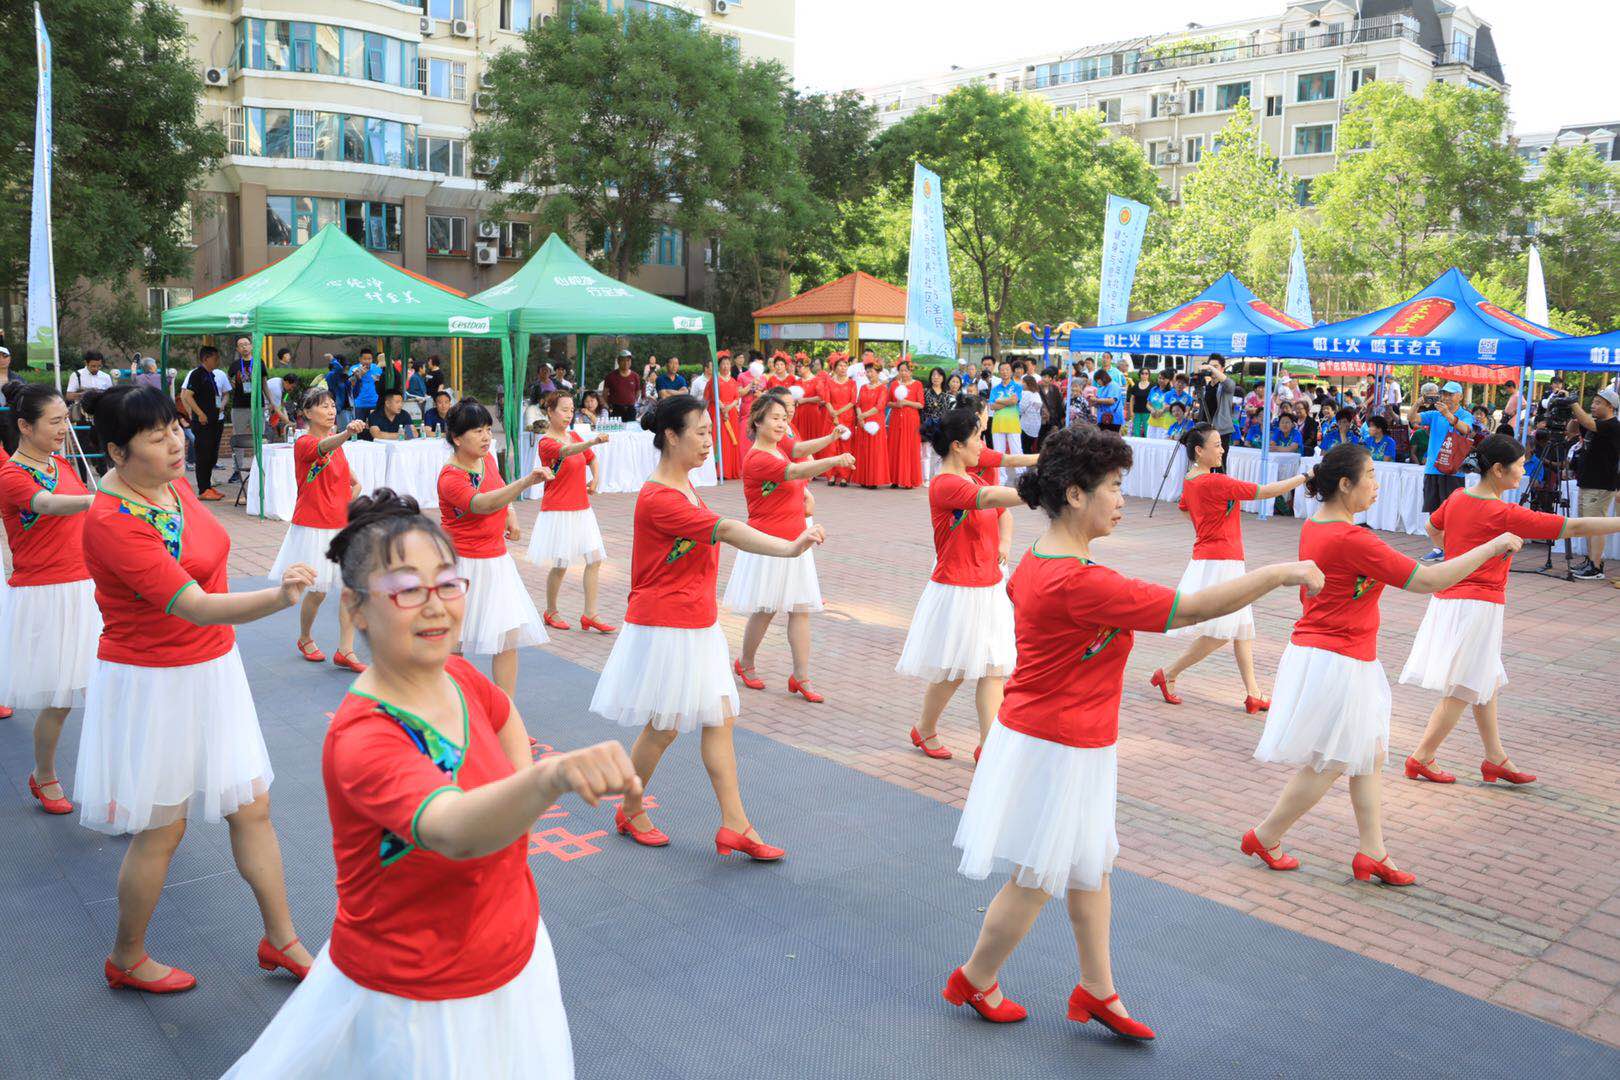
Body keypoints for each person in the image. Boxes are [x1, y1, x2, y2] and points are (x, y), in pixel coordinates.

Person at [224, 491, 638, 1077]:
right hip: (418, 997)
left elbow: (503, 718)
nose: (436, 605)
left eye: (447, 583)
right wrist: (549, 779)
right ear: (357, 608)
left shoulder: (458, 673)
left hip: (512, 951)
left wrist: (518, 795)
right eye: (406, 589)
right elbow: (451, 831)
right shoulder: (366, 736)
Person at [946, 425, 1318, 1036]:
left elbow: (1027, 601)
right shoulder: (1083, 582)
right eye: (1114, 487)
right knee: (1038, 877)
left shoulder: (1043, 562)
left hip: (1064, 737)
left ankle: (1097, 989)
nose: (1123, 498)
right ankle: (974, 978)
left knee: (1090, 865)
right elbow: (1190, 610)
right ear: (1073, 494)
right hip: (1056, 743)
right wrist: (1278, 574)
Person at [73, 385, 318, 993]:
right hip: (153, 682)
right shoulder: (112, 521)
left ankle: (281, 939)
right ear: (115, 453)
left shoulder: (171, 483)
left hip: (212, 670)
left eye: (174, 429)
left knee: (252, 806)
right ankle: (126, 956)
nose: (176, 443)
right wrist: (279, 596)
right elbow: (198, 606)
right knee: (163, 828)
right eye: (156, 438)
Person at [1240, 443, 1523, 887]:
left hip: (1335, 655)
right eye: (1369, 475)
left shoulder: (1319, 525)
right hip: (1337, 659)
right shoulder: (1352, 538)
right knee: (1334, 759)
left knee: (1367, 754)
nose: (1377, 482)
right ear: (1345, 483)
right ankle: (1265, 834)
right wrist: (1491, 548)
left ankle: (1373, 852)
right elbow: (1429, 580)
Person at [589, 396, 823, 859]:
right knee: (665, 727)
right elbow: (729, 529)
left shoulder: (684, 486)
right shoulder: (659, 497)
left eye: (710, 432)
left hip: (696, 620)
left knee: (719, 716)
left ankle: (736, 824)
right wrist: (790, 547)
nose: (708, 441)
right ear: (671, 436)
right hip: (667, 623)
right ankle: (632, 808)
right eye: (699, 432)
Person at [1400, 434, 1620, 787]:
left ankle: (1495, 758)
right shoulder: (1504, 513)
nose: (1523, 469)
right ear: (1498, 470)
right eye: (1518, 465)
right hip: (1477, 606)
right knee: (1465, 687)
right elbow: (1574, 527)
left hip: (1452, 600)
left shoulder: (1459, 497)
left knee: (1482, 681)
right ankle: (1421, 757)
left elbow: (1432, 527)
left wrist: (1455, 556)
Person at [1151, 423, 1313, 712]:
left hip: (1213, 557)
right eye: (1216, 445)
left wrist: (1205, 533)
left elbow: (1186, 509)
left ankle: (1253, 693)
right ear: (1199, 451)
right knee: (1222, 631)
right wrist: (1304, 476)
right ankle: (1169, 673)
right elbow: (1266, 492)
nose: (1222, 449)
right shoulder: (1216, 482)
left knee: (1242, 629)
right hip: (1221, 561)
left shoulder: (1191, 479)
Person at [898, 408, 1024, 763]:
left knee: (992, 668)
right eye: (977, 439)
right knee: (954, 670)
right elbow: (992, 500)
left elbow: (1002, 511)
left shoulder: (975, 479)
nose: (981, 446)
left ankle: (989, 746)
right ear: (956, 445)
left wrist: (1003, 543)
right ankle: (925, 728)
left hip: (989, 585)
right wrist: (1043, 487)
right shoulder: (946, 484)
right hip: (959, 588)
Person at [0, 383, 99, 816]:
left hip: (88, 588)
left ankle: (111, 782)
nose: (65, 428)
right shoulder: (10, 475)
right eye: (55, 422)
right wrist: (106, 499)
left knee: (108, 689)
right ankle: (43, 775)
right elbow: (51, 505)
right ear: (25, 426)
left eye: (66, 419)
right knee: (59, 700)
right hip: (45, 595)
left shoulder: (63, 462)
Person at [725, 394, 855, 704]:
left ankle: (801, 675)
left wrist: (829, 439)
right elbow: (795, 472)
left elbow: (797, 453)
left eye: (785, 418)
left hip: (797, 539)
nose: (782, 424)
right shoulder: (758, 457)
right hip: (768, 542)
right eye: (775, 418)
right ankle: (745, 662)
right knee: (767, 608)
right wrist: (836, 459)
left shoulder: (779, 448)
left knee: (800, 609)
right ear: (758, 422)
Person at [438, 399, 553, 700]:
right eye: (478, 431)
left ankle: (506, 713)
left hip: (495, 562)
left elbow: (498, 489)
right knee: (453, 643)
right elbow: (482, 503)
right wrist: (527, 481)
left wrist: (511, 514)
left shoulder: (487, 459)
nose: (487, 437)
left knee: (506, 640)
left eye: (489, 429)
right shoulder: (450, 478)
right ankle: (457, 711)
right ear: (457, 438)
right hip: (461, 566)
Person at [272, 386, 369, 671]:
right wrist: (347, 434)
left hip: (339, 527)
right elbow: (322, 448)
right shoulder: (304, 443)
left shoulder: (336, 446)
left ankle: (346, 651)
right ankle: (305, 637)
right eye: (323, 406)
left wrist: (345, 504)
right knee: (316, 590)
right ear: (306, 413)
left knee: (350, 588)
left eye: (331, 406)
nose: (330, 411)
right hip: (313, 527)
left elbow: (354, 483)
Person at [526, 391, 614, 634]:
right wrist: (592, 441)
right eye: (563, 410)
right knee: (561, 564)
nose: (568, 414)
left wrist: (596, 478)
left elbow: (591, 459)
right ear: (550, 411)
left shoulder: (573, 434)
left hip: (582, 508)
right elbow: (568, 452)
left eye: (571, 409)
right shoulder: (546, 442)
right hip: (559, 510)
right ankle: (551, 610)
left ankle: (590, 615)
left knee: (595, 559)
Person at [1417, 380, 1475, 562]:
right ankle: (1438, 548)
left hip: (1453, 471)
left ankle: (1452, 548)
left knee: (1453, 513)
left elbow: (1466, 429)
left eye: (1450, 394)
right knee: (1434, 512)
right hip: (1433, 469)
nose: (1446, 397)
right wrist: (1418, 404)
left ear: (1460, 396)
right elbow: (1414, 419)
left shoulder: (1465, 415)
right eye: (1444, 394)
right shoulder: (1435, 414)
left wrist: (1448, 415)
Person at [1569, 387, 1620, 580]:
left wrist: (1573, 402)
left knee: (1596, 525)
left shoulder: (1612, 425)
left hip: (1601, 483)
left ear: (1610, 406)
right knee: (1589, 524)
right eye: (1593, 402)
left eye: (1598, 403)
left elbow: (1588, 422)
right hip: (1587, 481)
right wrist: (1573, 414)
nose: (1593, 405)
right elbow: (1573, 430)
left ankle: (1596, 566)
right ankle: (1591, 560)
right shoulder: (1595, 424)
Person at [179, 345, 226, 501]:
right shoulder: (197, 374)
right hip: (203, 422)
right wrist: (199, 413)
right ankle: (203, 489)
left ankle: (208, 486)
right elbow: (187, 396)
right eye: (215, 358)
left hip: (214, 421)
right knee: (203, 455)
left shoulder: (211, 375)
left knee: (212, 455)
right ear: (206, 358)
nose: (217, 361)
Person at [819, 355, 858, 486]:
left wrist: (838, 413)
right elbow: (827, 401)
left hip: (847, 417)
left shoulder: (852, 383)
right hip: (831, 417)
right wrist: (833, 414)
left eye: (845, 365)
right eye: (840, 365)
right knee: (831, 446)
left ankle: (844, 476)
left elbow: (853, 402)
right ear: (835, 368)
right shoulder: (828, 382)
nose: (843, 368)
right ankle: (831, 475)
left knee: (845, 446)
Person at [886, 358, 925, 489]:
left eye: (906, 370)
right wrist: (896, 404)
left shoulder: (917, 384)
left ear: (911, 371)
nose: (903, 373)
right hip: (896, 418)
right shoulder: (894, 384)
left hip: (911, 420)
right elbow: (888, 402)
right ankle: (895, 479)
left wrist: (907, 402)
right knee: (895, 447)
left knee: (910, 448)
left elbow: (920, 404)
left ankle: (909, 479)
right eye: (901, 370)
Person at [852, 365, 891, 488]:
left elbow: (879, 406)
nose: (869, 374)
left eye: (871, 372)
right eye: (867, 372)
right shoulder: (863, 387)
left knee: (875, 450)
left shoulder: (883, 388)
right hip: (863, 421)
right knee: (863, 449)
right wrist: (860, 416)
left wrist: (862, 416)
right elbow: (857, 404)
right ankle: (863, 478)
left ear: (878, 372)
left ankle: (873, 480)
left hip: (875, 422)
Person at [1201, 355, 1237, 466]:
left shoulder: (1225, 386)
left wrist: (1211, 369)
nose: (1212, 369)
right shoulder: (1205, 386)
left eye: (1216, 366)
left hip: (1221, 430)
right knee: (1206, 463)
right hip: (1205, 429)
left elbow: (1230, 384)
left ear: (1222, 369)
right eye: (1210, 366)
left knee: (1220, 464)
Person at [603, 349, 642, 422]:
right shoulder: (610, 376)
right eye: (623, 360)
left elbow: (637, 392)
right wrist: (607, 407)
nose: (626, 363)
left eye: (628, 360)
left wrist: (632, 402)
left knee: (631, 430)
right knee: (616, 431)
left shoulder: (635, 376)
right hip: (615, 410)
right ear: (618, 361)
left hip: (630, 409)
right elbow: (604, 394)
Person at [350, 349, 382, 427]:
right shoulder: (354, 369)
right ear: (360, 359)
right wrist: (359, 375)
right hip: (359, 404)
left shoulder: (377, 368)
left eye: (369, 359)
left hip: (374, 402)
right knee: (359, 428)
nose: (367, 361)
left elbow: (380, 383)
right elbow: (350, 383)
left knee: (375, 426)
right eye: (365, 359)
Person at [1017, 374, 1045, 454]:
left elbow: (1020, 410)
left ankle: (1025, 465)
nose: (1021, 384)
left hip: (1026, 425)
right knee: (1028, 447)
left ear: (1028, 383)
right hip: (1036, 425)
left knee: (1024, 448)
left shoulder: (1026, 394)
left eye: (1023, 382)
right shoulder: (1036, 394)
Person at [1091, 369, 1124, 434]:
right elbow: (1099, 402)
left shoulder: (1114, 386)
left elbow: (1111, 401)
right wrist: (1092, 402)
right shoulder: (1101, 388)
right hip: (1102, 419)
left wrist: (1096, 400)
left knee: (1112, 440)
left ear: (1103, 378)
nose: (1098, 383)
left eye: (1098, 380)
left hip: (1114, 420)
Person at [324, 357, 354, 428]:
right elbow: (338, 369)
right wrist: (333, 359)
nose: (347, 368)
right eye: (345, 366)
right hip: (340, 409)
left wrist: (359, 379)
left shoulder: (344, 377)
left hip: (349, 409)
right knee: (343, 432)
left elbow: (352, 393)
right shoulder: (331, 375)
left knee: (351, 433)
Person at [1128, 370, 1152, 438]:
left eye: (1146, 373)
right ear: (1140, 375)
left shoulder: (1152, 387)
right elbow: (1132, 399)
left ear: (1149, 375)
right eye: (1142, 373)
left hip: (1147, 412)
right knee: (1136, 431)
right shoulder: (1135, 386)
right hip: (1136, 412)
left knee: (1147, 431)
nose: (1144, 375)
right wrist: (1131, 411)